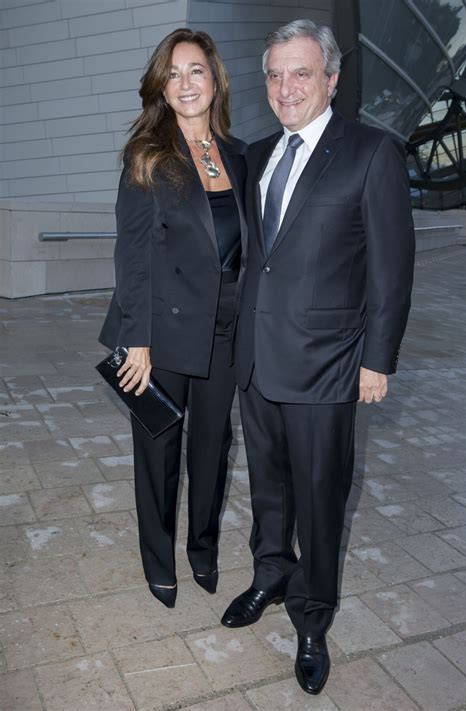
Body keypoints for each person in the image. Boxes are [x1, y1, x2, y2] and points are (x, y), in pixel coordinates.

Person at [221, 20, 415, 695]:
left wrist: (377, 359)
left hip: (328, 365)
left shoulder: (371, 153)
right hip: (258, 360)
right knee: (268, 487)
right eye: (275, 74)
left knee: (321, 498)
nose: (285, 87)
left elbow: (392, 268)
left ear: (331, 79)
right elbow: (257, 259)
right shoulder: (257, 153)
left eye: (301, 73)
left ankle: (312, 617)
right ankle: (271, 571)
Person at [99, 28, 246, 609]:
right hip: (160, 333)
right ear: (162, 86)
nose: (186, 84)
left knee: (212, 448)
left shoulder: (240, 154)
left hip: (225, 331)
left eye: (197, 71)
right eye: (174, 73)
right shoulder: (148, 157)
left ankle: (202, 548)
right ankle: (159, 560)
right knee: (159, 455)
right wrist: (136, 339)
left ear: (215, 80)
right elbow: (131, 255)